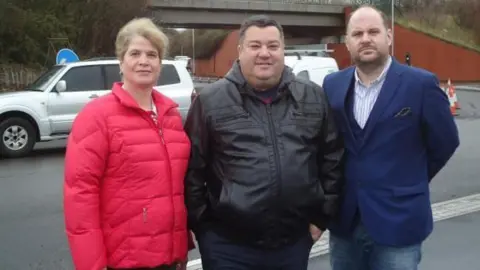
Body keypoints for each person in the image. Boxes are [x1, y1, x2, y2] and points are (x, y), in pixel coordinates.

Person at [183, 15, 344, 270]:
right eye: (255, 46)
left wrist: (322, 216)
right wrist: (203, 227)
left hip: (292, 245)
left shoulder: (312, 97)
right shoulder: (210, 102)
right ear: (240, 51)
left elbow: (331, 157)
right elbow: (192, 169)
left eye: (273, 46)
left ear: (283, 50)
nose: (264, 54)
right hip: (227, 247)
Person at [322, 5, 460, 270]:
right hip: (345, 223)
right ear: (348, 43)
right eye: (357, 33)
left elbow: (445, 142)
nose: (365, 38)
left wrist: (411, 176)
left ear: (388, 36)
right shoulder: (333, 85)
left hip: (399, 223)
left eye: (373, 31)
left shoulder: (421, 85)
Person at [63, 18, 194, 270]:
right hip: (125, 260)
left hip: (171, 258)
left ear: (159, 64)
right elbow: (81, 196)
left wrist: (181, 250)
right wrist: (92, 264)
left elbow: (177, 189)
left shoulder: (171, 116)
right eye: (135, 53)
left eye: (152, 55)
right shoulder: (96, 117)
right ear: (121, 62)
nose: (144, 61)